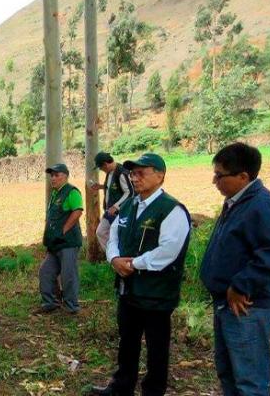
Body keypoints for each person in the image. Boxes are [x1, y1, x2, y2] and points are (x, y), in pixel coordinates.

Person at [90, 153, 191, 396]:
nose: (135, 178)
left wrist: (134, 264)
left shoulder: (171, 210)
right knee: (127, 342)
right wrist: (113, 258)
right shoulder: (130, 205)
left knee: (157, 348)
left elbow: (168, 251)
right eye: (133, 173)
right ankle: (121, 387)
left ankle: (153, 391)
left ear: (160, 175)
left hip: (156, 294)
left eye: (141, 173)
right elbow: (113, 235)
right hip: (128, 290)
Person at [200, 142, 270, 396]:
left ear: (243, 176)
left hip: (247, 307)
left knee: (250, 380)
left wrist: (241, 285)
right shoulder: (236, 202)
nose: (214, 181)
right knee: (228, 372)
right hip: (225, 304)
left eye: (220, 176)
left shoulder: (264, 206)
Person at [35, 163, 83, 315]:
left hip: (67, 242)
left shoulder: (72, 192)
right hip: (54, 244)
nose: (53, 178)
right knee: (45, 272)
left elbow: (77, 211)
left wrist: (64, 229)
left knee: (68, 275)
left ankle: (72, 307)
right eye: (51, 175)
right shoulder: (55, 193)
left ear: (65, 176)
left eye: (56, 175)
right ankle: (50, 303)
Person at [91, 152, 133, 252]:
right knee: (103, 233)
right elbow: (113, 187)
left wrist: (116, 206)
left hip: (120, 212)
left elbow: (130, 192)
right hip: (109, 211)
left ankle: (116, 258)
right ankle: (114, 257)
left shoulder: (121, 173)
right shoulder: (110, 172)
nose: (101, 170)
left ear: (105, 164)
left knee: (109, 234)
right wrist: (101, 186)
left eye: (101, 168)